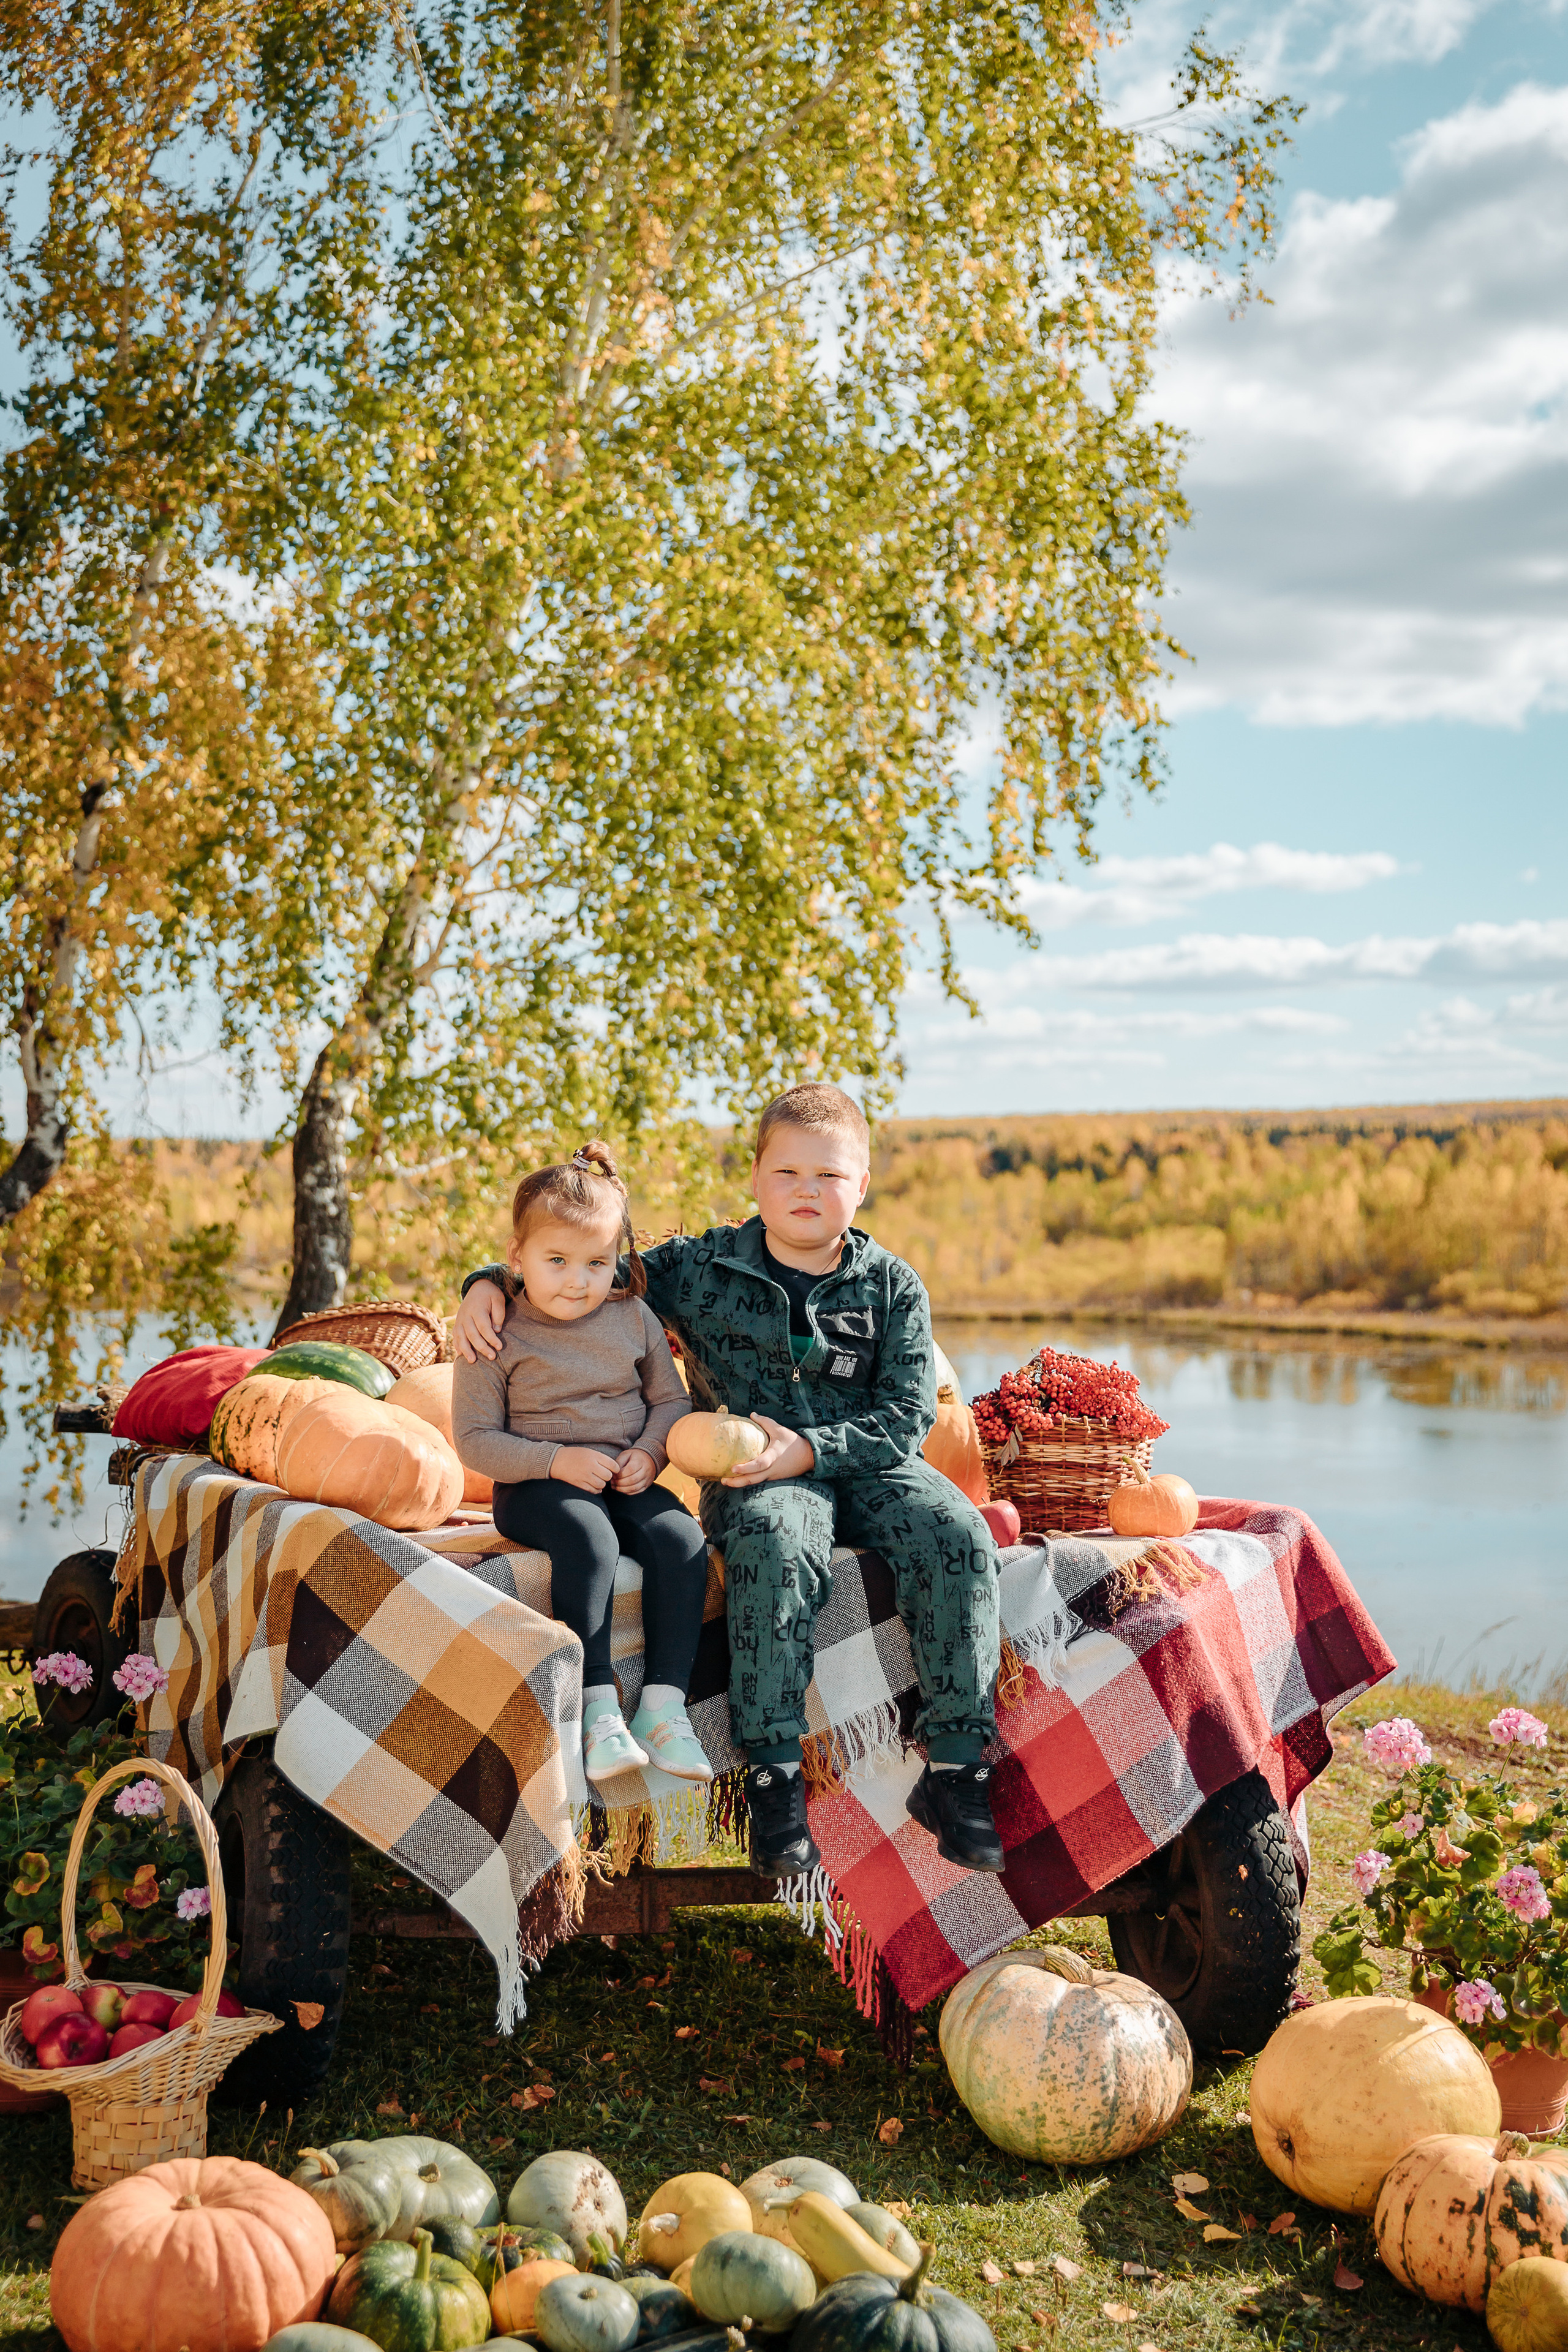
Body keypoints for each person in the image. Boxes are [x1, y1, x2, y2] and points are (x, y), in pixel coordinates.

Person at [453, 1087, 1003, 1877]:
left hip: (873, 1465)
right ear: (754, 1178)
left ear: (862, 1183)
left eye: (829, 1175)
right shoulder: (701, 1268)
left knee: (957, 1532)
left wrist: (809, 1449)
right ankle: (775, 1782)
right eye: (787, 1173)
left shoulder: (892, 1285)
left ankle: (956, 1769)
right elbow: (578, 1255)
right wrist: (484, 1281)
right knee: (776, 1543)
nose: (807, 1190)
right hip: (749, 1469)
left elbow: (909, 1414)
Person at [450, 1142, 713, 1788]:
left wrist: (649, 1453)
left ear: (616, 1258)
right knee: (591, 1539)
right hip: (536, 1485)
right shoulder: (495, 1328)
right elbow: (475, 1441)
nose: (578, 1281)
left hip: (623, 1475)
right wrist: (556, 1461)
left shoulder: (632, 1316)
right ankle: (596, 1708)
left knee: (682, 1541)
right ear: (517, 1258)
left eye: (597, 1263)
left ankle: (663, 1708)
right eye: (558, 1261)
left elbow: (669, 1400)